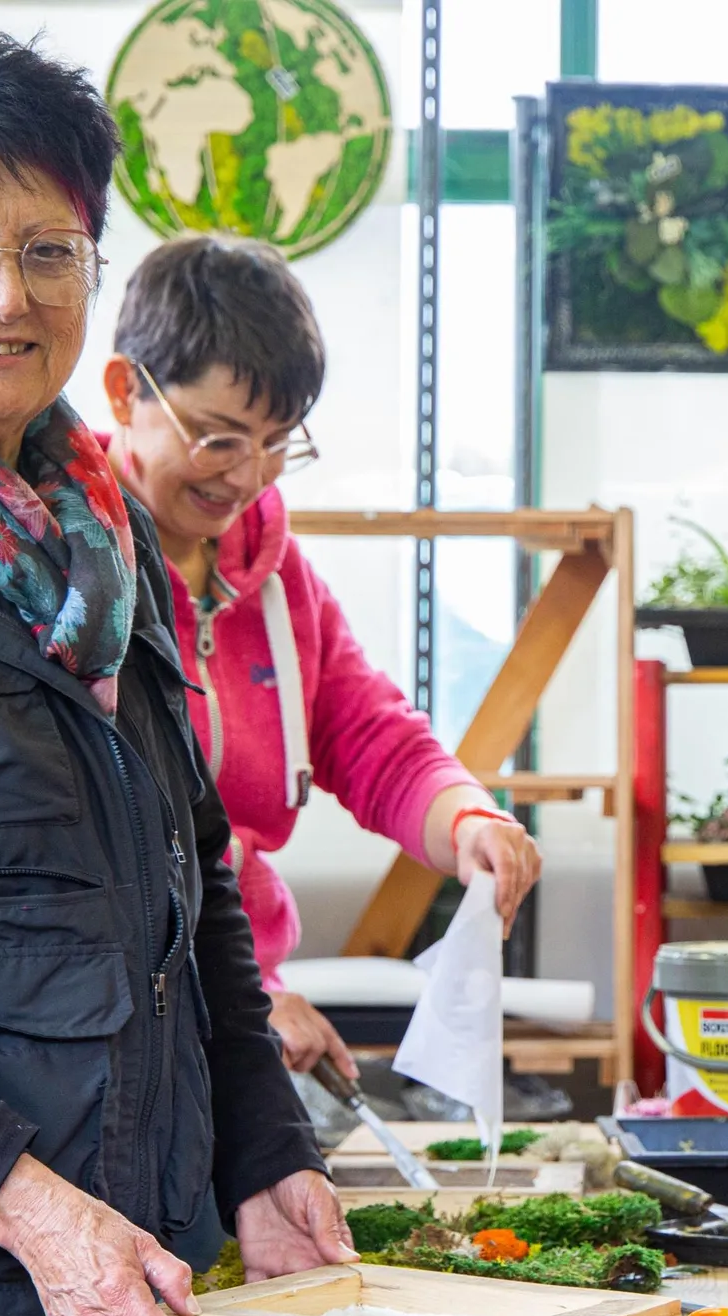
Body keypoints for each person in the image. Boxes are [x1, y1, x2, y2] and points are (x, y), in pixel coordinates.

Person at [0, 23, 352, 1316]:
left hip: (139, 1265)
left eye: (50, 249)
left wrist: (264, 1152)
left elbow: (198, 884)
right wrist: (25, 1206)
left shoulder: (105, 536)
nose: (9, 291)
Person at [100, 234, 542, 1079]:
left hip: (237, 996)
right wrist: (240, 1000)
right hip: (120, 1012)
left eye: (276, 443)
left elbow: (365, 728)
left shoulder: (272, 577)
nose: (247, 475)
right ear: (126, 391)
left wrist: (466, 819)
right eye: (218, 437)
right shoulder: (68, 557)